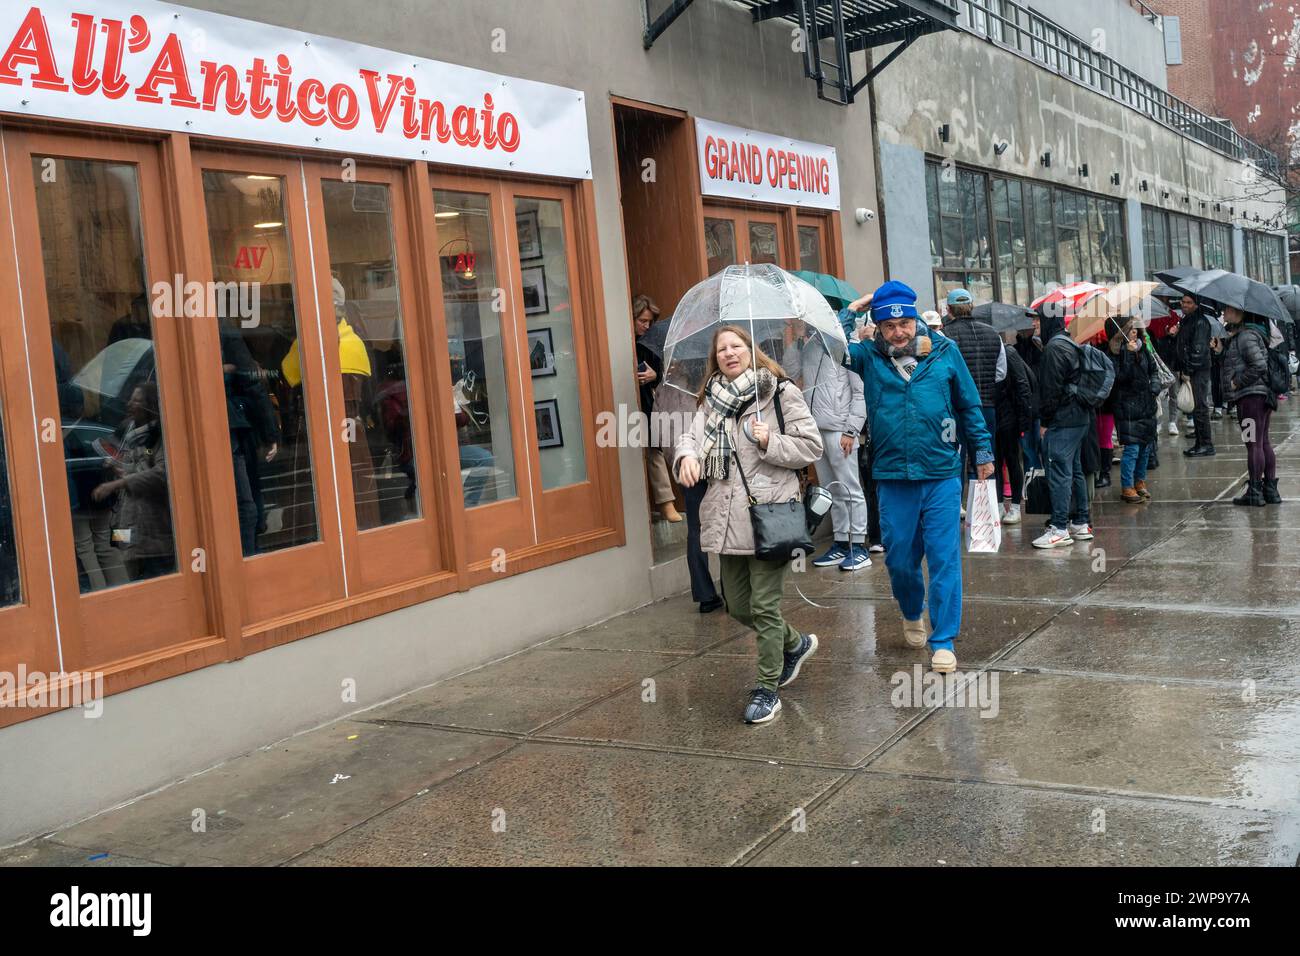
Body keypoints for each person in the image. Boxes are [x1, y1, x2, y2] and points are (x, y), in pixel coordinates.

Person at [840, 282, 994, 675]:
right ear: (877, 327)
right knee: (899, 558)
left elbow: (969, 403)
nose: (899, 332)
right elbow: (828, 346)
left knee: (944, 558)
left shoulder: (945, 352)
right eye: (889, 326)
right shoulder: (867, 357)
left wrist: (983, 452)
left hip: (941, 472)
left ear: (915, 319)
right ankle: (912, 611)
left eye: (905, 323)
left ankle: (943, 640)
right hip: (893, 475)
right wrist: (854, 307)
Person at [674, 325, 823, 724]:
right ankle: (795, 643)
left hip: (769, 515)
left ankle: (767, 688)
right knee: (739, 606)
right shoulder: (711, 400)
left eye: (735, 346)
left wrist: (768, 440)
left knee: (764, 605)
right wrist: (687, 458)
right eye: (721, 349)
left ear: (750, 350)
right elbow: (690, 439)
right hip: (725, 515)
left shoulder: (779, 392)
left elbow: (811, 446)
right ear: (715, 358)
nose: (728, 353)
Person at [90, 383, 175, 582]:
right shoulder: (132, 437)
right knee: (130, 572)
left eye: (136, 400)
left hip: (151, 530)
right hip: (127, 524)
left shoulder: (161, 437)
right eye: (131, 399)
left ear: (150, 406)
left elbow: (161, 474)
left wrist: (116, 484)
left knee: (154, 587)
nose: (130, 404)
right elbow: (136, 474)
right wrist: (117, 470)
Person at [801, 329, 870, 571]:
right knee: (832, 491)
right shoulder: (808, 345)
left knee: (851, 490)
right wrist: (793, 340)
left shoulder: (846, 346)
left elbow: (860, 392)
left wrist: (851, 429)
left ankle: (859, 545)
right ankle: (841, 543)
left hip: (841, 431)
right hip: (816, 430)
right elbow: (790, 370)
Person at [1032, 305, 1095, 549]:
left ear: (1047, 321)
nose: (1035, 325)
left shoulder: (1054, 348)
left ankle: (1059, 528)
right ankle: (1080, 522)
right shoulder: (1068, 342)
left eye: (1037, 321)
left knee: (1059, 471)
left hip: (1063, 421)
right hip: (1079, 418)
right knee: (1075, 469)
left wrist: (1045, 423)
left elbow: (1051, 391)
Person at [941, 289, 1006, 506]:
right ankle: (989, 505)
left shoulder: (944, 336)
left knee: (956, 456)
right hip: (986, 404)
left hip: (955, 407)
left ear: (948, 310)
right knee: (985, 453)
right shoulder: (993, 333)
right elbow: (1001, 373)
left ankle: (957, 504)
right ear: (972, 306)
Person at [1221, 307, 1279, 506]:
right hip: (1260, 396)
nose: (1223, 312)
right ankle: (1270, 489)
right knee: (1262, 442)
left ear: (1240, 313)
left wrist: (1237, 382)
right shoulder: (1247, 335)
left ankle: (1255, 491)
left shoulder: (1246, 337)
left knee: (1253, 443)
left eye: (1227, 309)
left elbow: (1259, 365)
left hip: (1250, 398)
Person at [633, 294, 682, 524]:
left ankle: (668, 503)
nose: (647, 325)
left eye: (650, 321)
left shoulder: (652, 343)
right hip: (629, 402)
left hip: (650, 401)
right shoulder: (625, 341)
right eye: (642, 320)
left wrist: (655, 375)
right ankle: (662, 503)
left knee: (657, 448)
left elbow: (669, 373)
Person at [1107, 319, 1158, 504]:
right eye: (1130, 330)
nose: (1134, 333)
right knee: (1132, 449)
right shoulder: (1115, 353)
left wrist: (1155, 388)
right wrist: (1127, 356)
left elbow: (1154, 371)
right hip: (1127, 407)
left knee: (1145, 447)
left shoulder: (1143, 349)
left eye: (1136, 329)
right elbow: (1120, 378)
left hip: (1146, 405)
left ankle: (1139, 482)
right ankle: (1127, 486)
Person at [994, 337, 1034, 524]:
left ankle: (1016, 506)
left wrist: (1024, 421)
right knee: (995, 462)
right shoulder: (990, 352)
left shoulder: (1009, 352)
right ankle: (1000, 504)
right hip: (994, 415)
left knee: (1011, 460)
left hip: (1010, 416)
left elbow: (1023, 385)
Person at [1175, 293, 1215, 457]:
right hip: (1192, 369)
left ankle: (1205, 444)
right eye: (1183, 302)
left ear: (1196, 304)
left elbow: (1198, 350)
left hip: (1198, 370)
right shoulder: (1187, 320)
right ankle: (1200, 442)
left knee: (1199, 407)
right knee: (1197, 407)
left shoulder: (1199, 322)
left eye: (1188, 302)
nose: (1184, 305)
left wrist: (1189, 371)